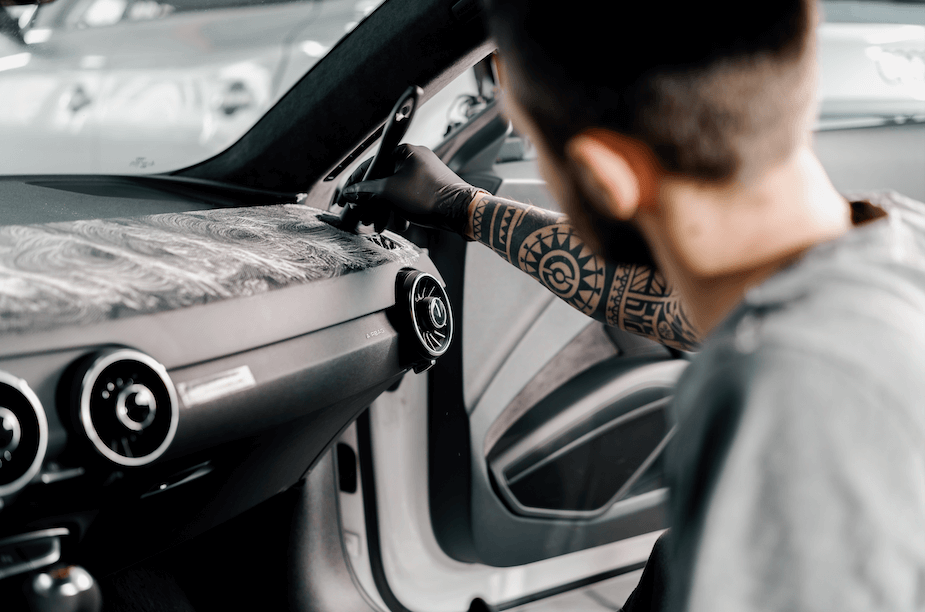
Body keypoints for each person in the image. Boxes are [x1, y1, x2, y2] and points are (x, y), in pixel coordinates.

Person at [342, 0, 925, 610]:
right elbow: (663, 300)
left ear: (601, 177)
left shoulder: (784, 399)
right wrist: (461, 206)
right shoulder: (890, 246)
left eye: (536, 143)